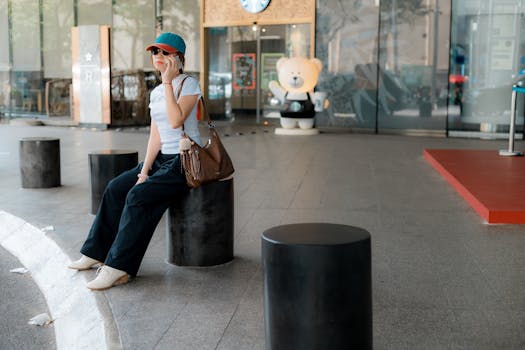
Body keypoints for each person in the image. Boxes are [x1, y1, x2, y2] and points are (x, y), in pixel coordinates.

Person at [68, 32, 203, 291]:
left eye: (165, 52)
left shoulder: (188, 84)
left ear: (178, 58)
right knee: (117, 188)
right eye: (155, 52)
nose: (158, 57)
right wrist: (144, 170)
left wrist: (167, 83)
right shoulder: (155, 94)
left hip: (185, 161)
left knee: (138, 197)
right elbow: (156, 135)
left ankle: (119, 268)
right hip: (162, 158)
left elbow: (176, 121)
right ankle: (96, 252)